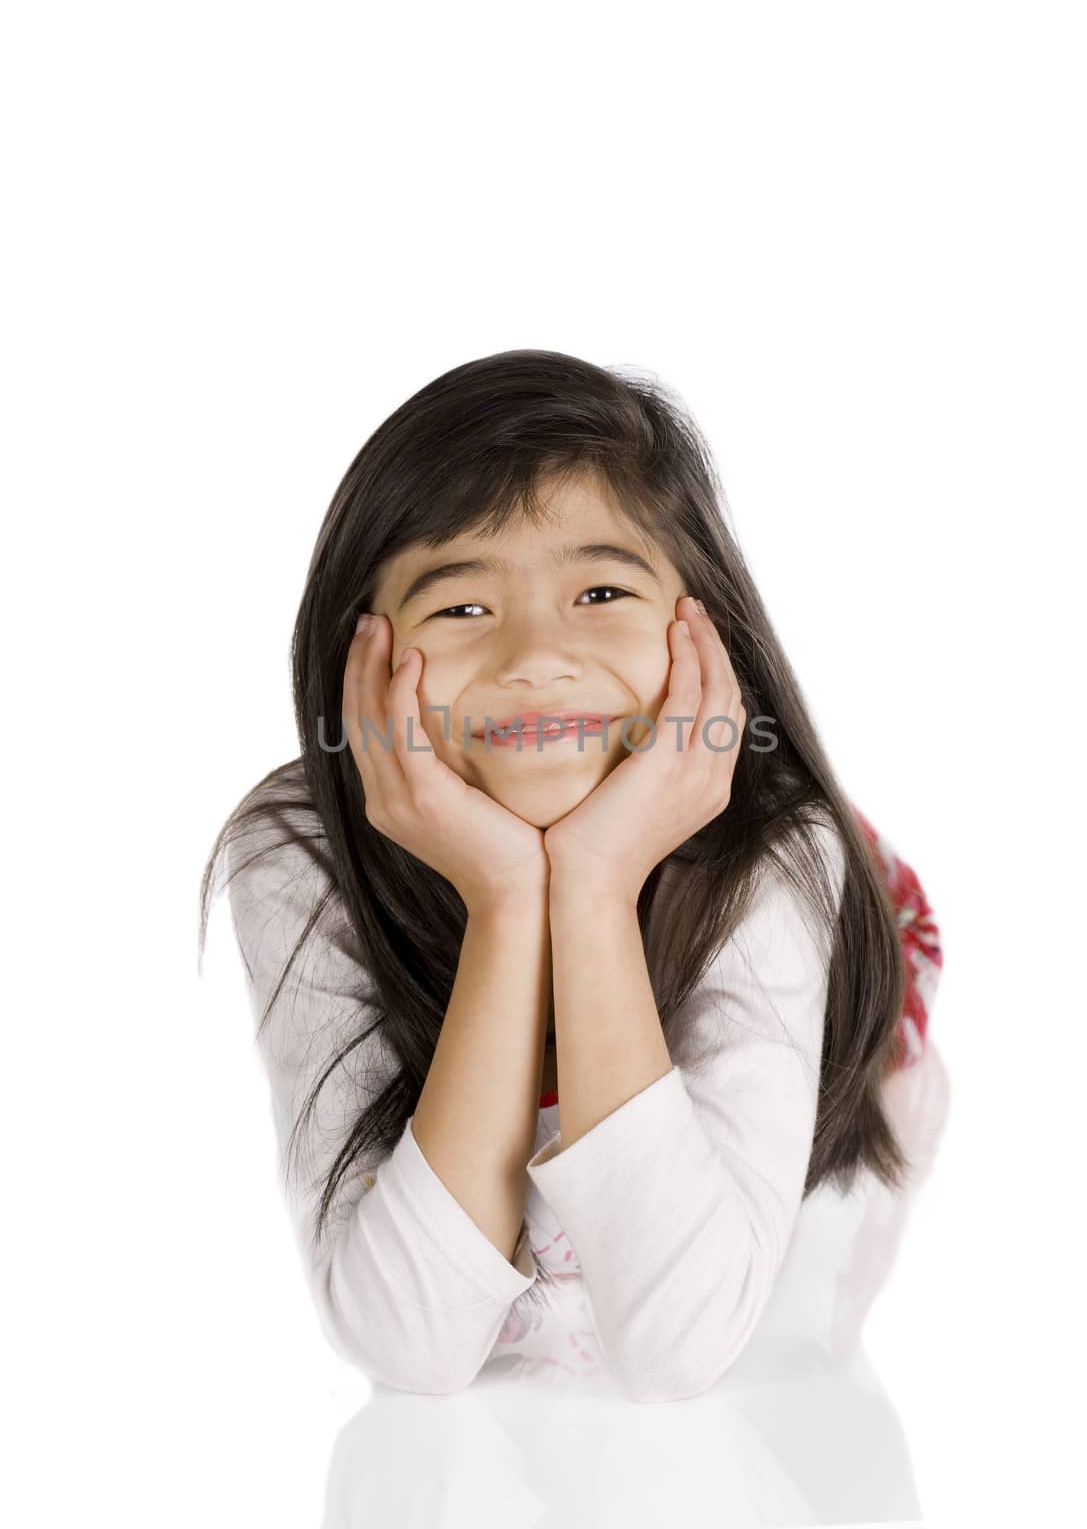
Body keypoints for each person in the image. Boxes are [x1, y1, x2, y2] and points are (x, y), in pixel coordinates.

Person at [198, 348, 943, 1402]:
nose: (536, 654)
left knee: (788, 1344)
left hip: (795, 1268)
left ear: (704, 631)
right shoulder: (299, 849)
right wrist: (509, 898)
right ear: (359, 656)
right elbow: (409, 1346)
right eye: (461, 607)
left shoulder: (776, 852)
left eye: (600, 589)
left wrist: (590, 885)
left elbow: (679, 1348)